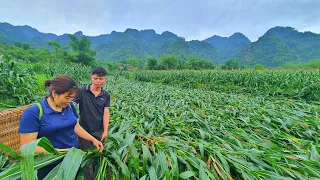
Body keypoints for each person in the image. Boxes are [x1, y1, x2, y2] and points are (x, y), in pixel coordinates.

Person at [18, 75, 104, 180]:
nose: (70, 100)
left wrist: (92, 139)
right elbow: (27, 148)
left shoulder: (69, 106)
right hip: (49, 165)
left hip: (71, 161)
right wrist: (60, 152)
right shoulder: (34, 113)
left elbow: (75, 126)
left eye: (72, 97)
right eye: (67, 97)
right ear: (54, 93)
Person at [73, 67, 110, 180]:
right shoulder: (81, 91)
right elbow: (72, 106)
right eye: (96, 78)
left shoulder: (106, 94)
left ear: (105, 79)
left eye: (101, 79)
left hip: (98, 130)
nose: (98, 81)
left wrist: (105, 131)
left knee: (96, 156)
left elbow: (106, 113)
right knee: (87, 159)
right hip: (84, 130)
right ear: (91, 77)